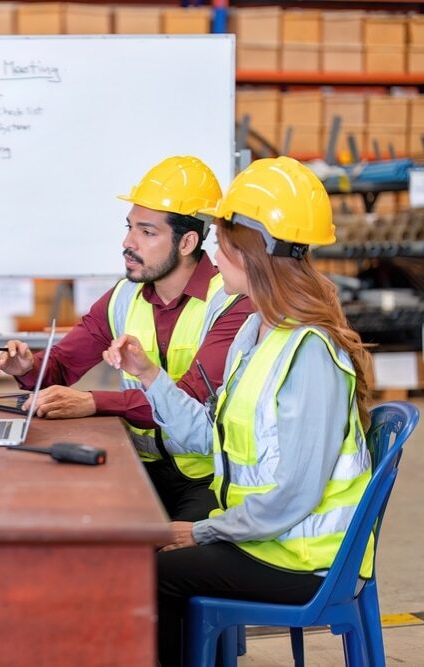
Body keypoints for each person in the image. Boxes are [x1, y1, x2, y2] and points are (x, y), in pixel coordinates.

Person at [103, 156, 375, 666]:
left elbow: (296, 493)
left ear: (252, 256)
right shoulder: (254, 334)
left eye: (221, 246)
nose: (212, 256)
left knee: (149, 574)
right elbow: (210, 438)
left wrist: (201, 530)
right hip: (264, 537)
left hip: (304, 559)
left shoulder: (309, 352)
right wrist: (149, 376)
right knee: (137, 553)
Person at [0, 156, 252, 521]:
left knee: (156, 564)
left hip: (209, 478)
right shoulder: (123, 297)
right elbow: (60, 369)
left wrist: (93, 401)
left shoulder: (231, 303)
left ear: (188, 241)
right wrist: (29, 366)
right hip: (138, 466)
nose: (127, 243)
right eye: (129, 228)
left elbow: (188, 403)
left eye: (147, 233)